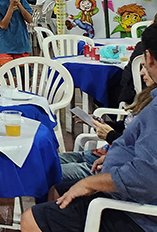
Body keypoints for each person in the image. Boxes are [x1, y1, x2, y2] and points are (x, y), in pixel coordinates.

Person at [20, 24, 157, 232]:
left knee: (30, 219)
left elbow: (146, 177)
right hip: (127, 188)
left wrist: (90, 183)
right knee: (57, 191)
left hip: (138, 214)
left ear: (149, 58)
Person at [58, 63, 155, 183]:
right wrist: (102, 123)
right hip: (107, 154)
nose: (141, 72)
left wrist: (109, 135)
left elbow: (136, 149)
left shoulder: (153, 108)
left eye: (146, 66)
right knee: (48, 161)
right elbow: (127, 127)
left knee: (50, 171)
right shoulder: (148, 95)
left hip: (116, 167)